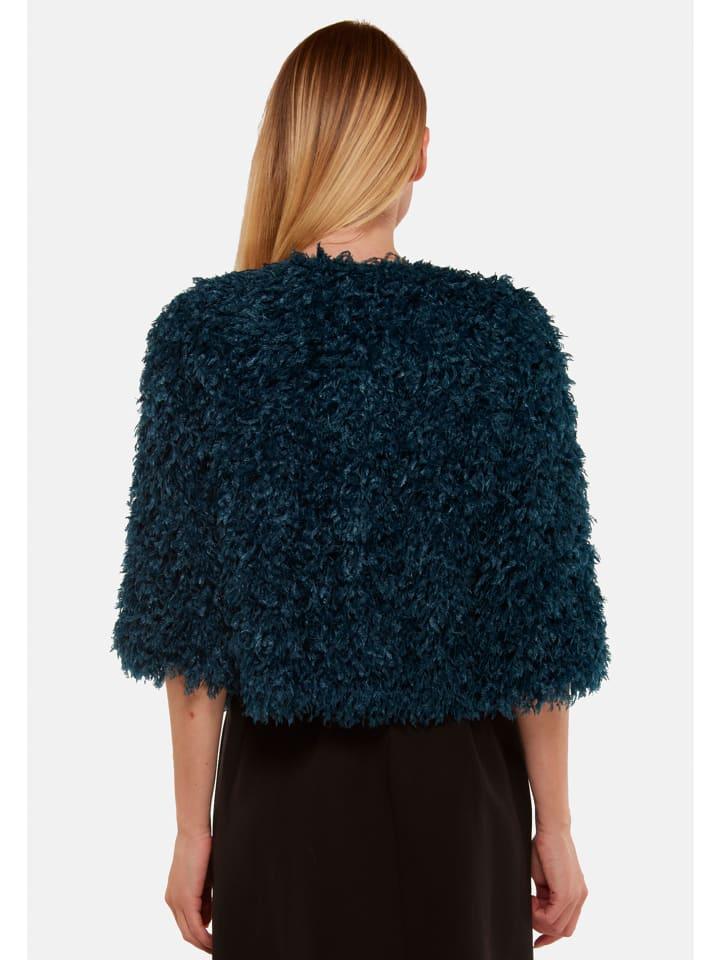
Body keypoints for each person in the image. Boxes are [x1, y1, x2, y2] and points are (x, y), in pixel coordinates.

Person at [110, 19, 610, 960]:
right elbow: (542, 619)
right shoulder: (503, 336)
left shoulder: (204, 339)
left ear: (289, 149)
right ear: (417, 152)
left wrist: (190, 831)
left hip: (279, 802)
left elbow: (186, 627)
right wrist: (556, 824)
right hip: (463, 799)